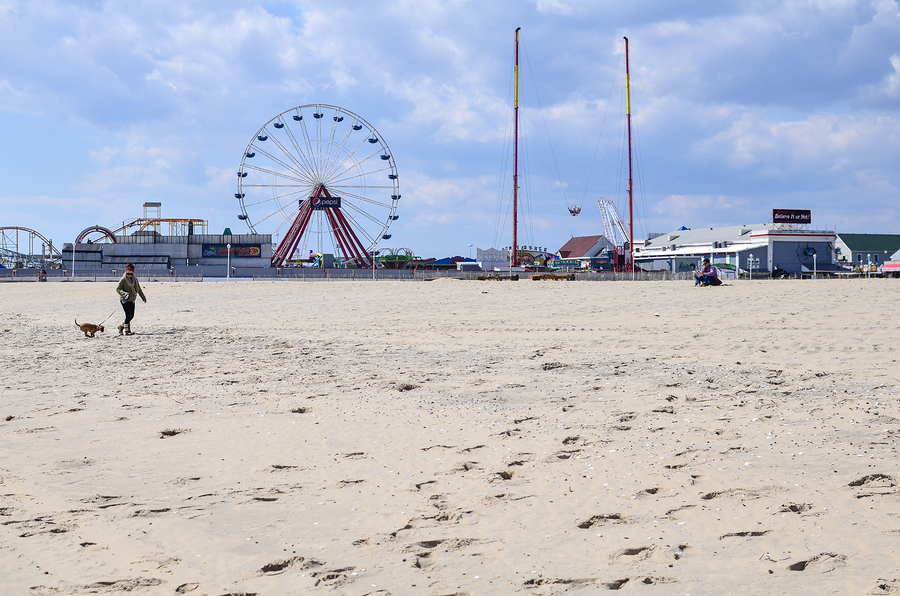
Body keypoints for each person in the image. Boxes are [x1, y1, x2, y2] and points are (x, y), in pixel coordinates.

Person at [116, 263, 146, 335]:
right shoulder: (123, 280)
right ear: (126, 272)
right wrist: (124, 293)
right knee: (128, 315)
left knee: (131, 316)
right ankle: (127, 331)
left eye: (131, 274)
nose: (129, 275)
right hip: (125, 300)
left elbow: (139, 289)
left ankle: (121, 326)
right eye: (128, 274)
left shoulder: (135, 280)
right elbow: (118, 289)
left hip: (132, 299)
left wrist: (143, 298)